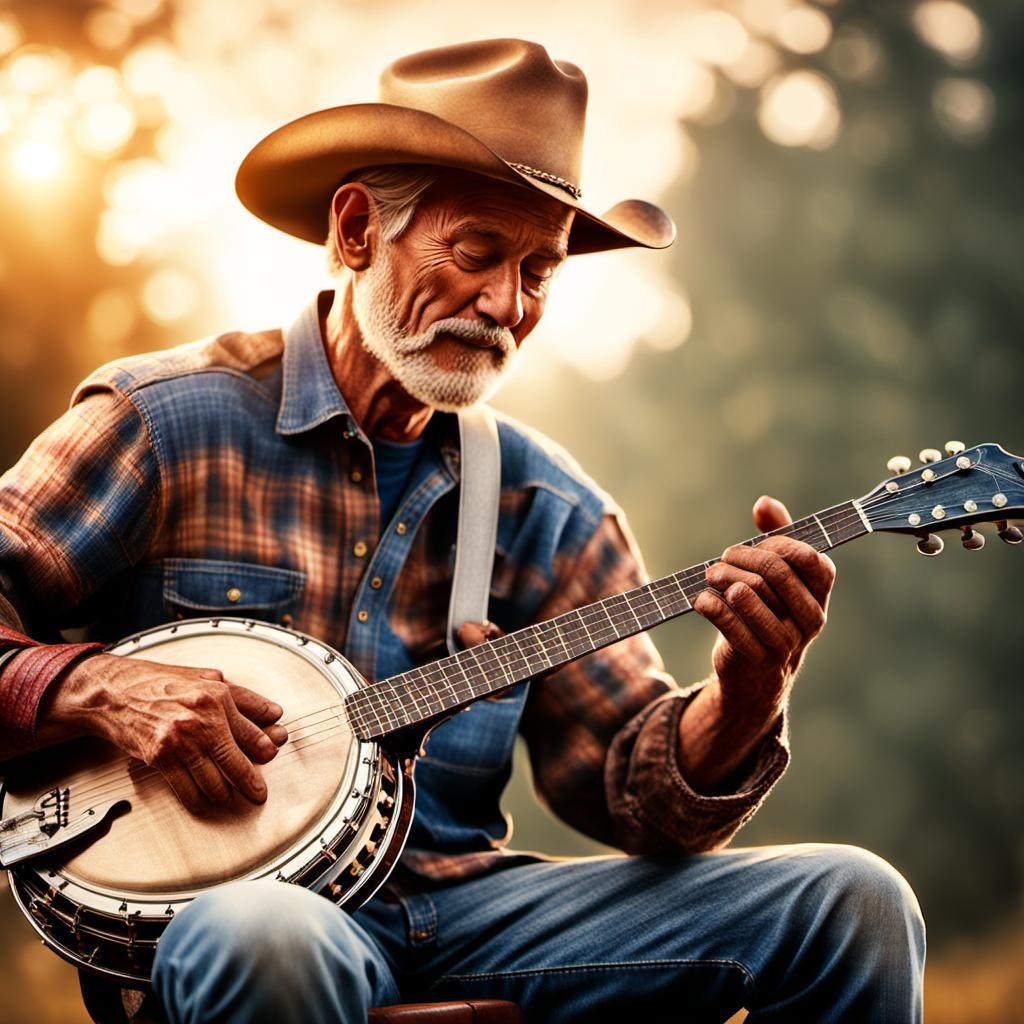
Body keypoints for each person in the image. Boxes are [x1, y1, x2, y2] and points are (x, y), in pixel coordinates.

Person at [0, 39, 923, 1023]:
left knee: (854, 902)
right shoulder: (164, 422)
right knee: (259, 936)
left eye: (540, 270)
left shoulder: (547, 504)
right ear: (355, 228)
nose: (507, 305)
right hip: (249, 916)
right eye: (478, 251)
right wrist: (101, 690)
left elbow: (636, 795)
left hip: (475, 910)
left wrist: (745, 694)